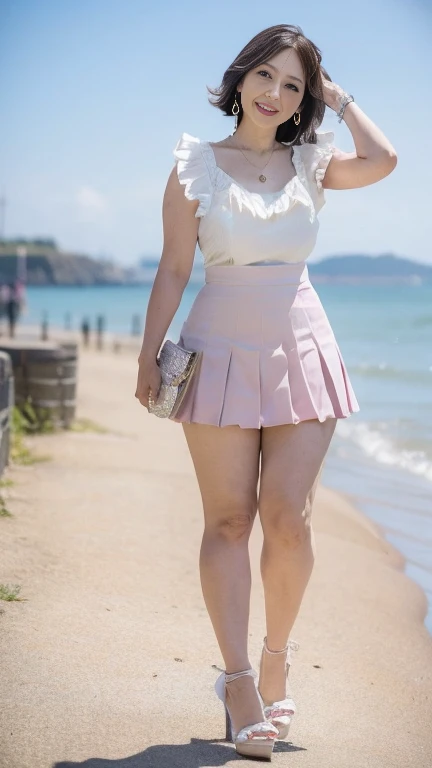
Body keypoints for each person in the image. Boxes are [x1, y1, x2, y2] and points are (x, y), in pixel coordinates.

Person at [135, 24, 397, 760]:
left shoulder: (312, 161)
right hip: (216, 344)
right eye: (265, 77)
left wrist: (338, 98)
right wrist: (149, 354)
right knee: (228, 520)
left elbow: (385, 159)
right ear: (241, 76)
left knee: (288, 519)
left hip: (302, 346)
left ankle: (278, 656)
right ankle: (240, 680)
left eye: (293, 84)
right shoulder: (194, 165)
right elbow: (173, 269)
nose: (275, 94)